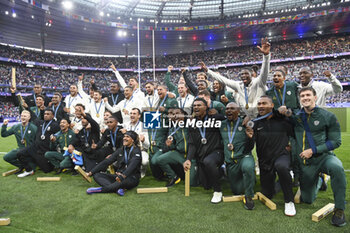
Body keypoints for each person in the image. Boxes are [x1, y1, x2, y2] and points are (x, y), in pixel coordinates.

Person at [290, 87, 346, 227]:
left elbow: (336, 141)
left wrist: (313, 150)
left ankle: (339, 209)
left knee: (337, 168)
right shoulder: (296, 117)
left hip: (323, 157)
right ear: (300, 99)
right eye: (302, 96)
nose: (305, 98)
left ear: (315, 97)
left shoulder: (328, 116)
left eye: (308, 95)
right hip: (306, 163)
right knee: (307, 199)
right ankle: (321, 179)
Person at [246, 96, 296, 216]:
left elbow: (295, 132)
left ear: (272, 106)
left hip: (281, 156)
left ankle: (289, 201)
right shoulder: (255, 123)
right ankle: (283, 180)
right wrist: (249, 138)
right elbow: (249, 148)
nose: (261, 106)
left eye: (264, 103)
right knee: (268, 194)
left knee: (282, 166)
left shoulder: (282, 120)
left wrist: (291, 146)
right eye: (259, 104)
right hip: (265, 161)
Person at [203, 37, 271, 117]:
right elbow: (223, 79)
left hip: (260, 116)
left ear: (251, 75)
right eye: (241, 74)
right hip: (246, 117)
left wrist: (266, 56)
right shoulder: (238, 85)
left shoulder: (259, 82)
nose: (243, 76)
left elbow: (264, 71)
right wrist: (208, 70)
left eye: (246, 74)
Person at [183, 98, 225, 203]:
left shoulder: (214, 118)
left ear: (206, 107)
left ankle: (218, 191)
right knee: (206, 185)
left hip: (216, 152)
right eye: (194, 105)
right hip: (202, 155)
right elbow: (192, 144)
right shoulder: (192, 123)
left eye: (199, 105)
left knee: (209, 162)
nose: (196, 107)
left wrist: (216, 113)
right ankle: (221, 171)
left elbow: (228, 117)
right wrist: (188, 159)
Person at [219, 102, 255, 210]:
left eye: (232, 108)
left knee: (248, 167)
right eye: (227, 109)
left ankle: (249, 196)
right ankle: (248, 179)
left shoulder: (245, 123)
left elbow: (251, 146)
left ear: (238, 111)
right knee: (237, 190)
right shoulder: (221, 124)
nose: (229, 111)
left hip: (244, 157)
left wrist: (250, 138)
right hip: (231, 161)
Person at [86, 131, 142, 195]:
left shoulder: (136, 151)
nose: (124, 138)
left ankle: (99, 190)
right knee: (97, 175)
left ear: (132, 140)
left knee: (120, 182)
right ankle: (117, 189)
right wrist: (91, 172)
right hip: (118, 176)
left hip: (131, 178)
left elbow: (132, 166)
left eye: (127, 137)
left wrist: (122, 176)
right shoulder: (121, 149)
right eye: (124, 136)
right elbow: (107, 162)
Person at [16, 108, 60, 176]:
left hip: (45, 150)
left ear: (53, 116)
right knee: (20, 153)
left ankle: (49, 163)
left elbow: (59, 136)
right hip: (35, 148)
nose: (46, 115)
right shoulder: (40, 122)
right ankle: (29, 170)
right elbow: (33, 116)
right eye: (45, 114)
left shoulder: (56, 125)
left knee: (46, 170)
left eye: (48, 114)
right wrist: (27, 107)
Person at [69, 106, 100, 171]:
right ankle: (77, 166)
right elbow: (76, 140)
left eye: (84, 118)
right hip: (85, 153)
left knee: (91, 170)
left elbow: (93, 123)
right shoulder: (81, 131)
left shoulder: (94, 129)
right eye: (82, 119)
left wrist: (84, 114)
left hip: (94, 152)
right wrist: (71, 145)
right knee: (76, 148)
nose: (82, 120)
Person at [122, 108, 149, 178]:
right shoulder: (125, 125)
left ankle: (142, 170)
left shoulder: (143, 126)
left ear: (139, 116)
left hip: (140, 150)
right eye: (131, 113)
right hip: (127, 150)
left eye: (134, 114)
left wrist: (143, 140)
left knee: (145, 161)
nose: (132, 115)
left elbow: (148, 145)